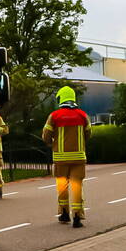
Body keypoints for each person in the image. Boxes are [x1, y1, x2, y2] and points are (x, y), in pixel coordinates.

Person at [42, 86, 92, 228]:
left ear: (60, 98)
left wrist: (53, 143)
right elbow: (89, 134)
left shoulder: (54, 116)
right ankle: (77, 216)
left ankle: (64, 214)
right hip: (78, 158)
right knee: (77, 187)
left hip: (60, 159)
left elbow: (46, 136)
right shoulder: (82, 115)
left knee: (62, 187)